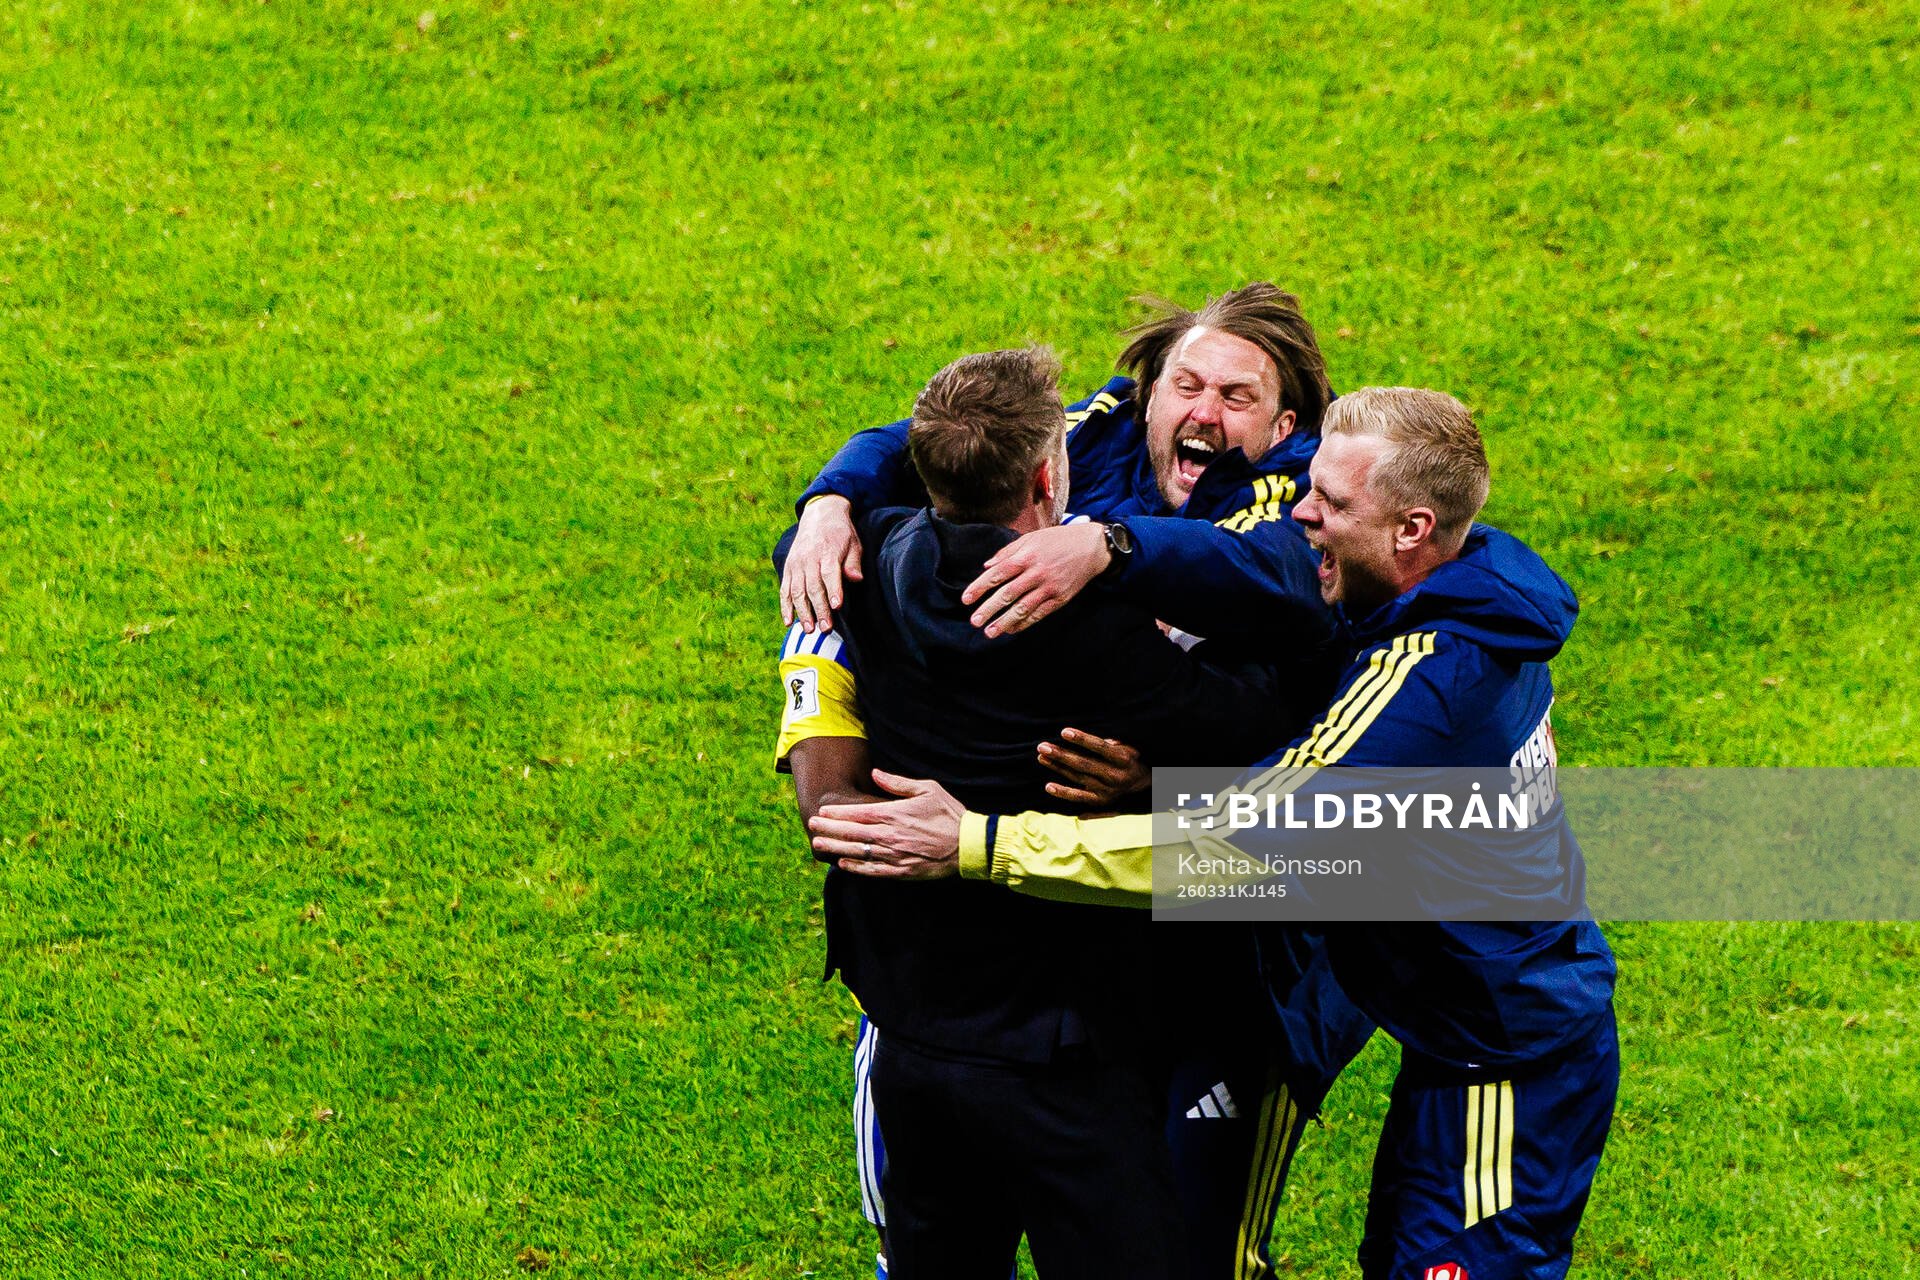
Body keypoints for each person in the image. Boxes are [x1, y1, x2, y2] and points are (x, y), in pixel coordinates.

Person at [812, 387, 1620, 1280]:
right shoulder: (1444, 585)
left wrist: (978, 843)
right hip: (1447, 1022)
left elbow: (1233, 851)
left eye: (1331, 505)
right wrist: (831, 500)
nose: (1299, 514)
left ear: (1411, 529)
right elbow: (966, 424)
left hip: (1505, 1055)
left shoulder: (1426, 689)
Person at [778, 286, 1376, 1279]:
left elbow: (1300, 675)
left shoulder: (1303, 502)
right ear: (1135, 400)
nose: (1205, 412)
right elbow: (938, 434)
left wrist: (1109, 550)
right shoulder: (1086, 457)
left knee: (1197, 1246)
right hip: (1060, 997)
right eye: (1186, 383)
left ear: (1287, 427)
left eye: (1237, 395)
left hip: (1223, 954)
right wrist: (828, 501)